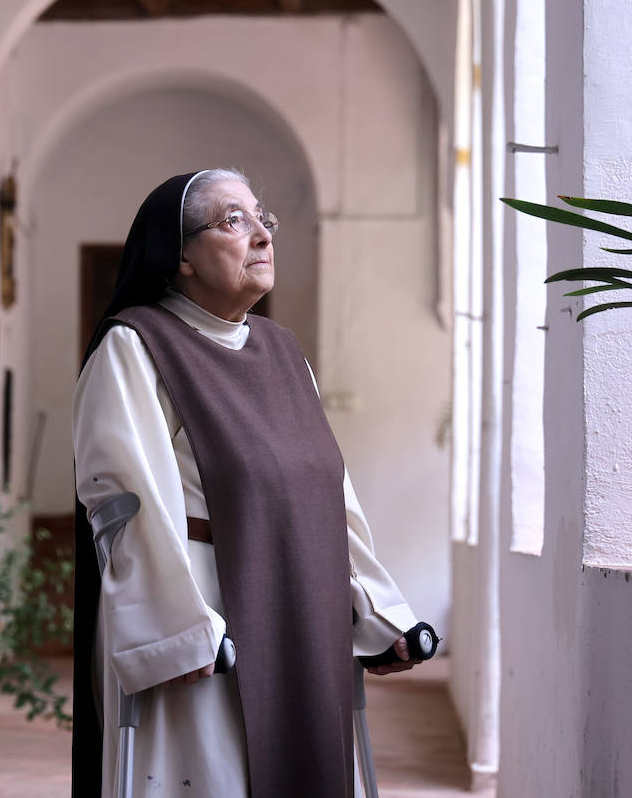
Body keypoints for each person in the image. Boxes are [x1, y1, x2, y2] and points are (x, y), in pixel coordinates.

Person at [71, 169, 430, 798]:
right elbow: (123, 502)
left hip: (303, 606)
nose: (262, 235)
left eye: (264, 218)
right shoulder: (136, 344)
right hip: (207, 617)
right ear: (180, 254)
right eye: (234, 220)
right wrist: (175, 631)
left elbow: (329, 497)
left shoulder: (285, 352)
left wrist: (378, 613)